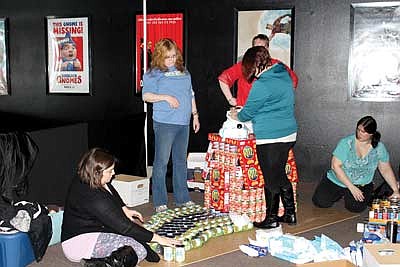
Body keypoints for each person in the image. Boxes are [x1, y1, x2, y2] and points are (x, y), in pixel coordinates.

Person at [61, 148, 180, 266]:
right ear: (97, 172)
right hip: (79, 243)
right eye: (110, 171)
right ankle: (101, 264)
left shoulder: (87, 176)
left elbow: (109, 188)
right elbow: (125, 227)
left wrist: (124, 208)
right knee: (139, 250)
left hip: (92, 230)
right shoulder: (94, 198)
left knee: (137, 239)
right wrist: (159, 239)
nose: (113, 173)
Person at [230, 46, 297, 229]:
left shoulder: (262, 84)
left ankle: (271, 218)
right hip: (289, 133)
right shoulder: (282, 73)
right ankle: (290, 213)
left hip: (270, 137)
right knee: (279, 173)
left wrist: (236, 114)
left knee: (270, 178)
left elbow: (247, 113)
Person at [142, 38, 200, 213]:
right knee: (161, 163)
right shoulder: (152, 74)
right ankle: (160, 201)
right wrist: (165, 97)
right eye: (167, 57)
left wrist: (195, 115)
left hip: (183, 122)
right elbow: (146, 96)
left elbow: (190, 94)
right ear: (160, 56)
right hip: (165, 123)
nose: (171, 60)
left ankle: (182, 198)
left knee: (181, 162)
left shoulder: (184, 72)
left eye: (174, 56)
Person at [312, 116, 400, 212]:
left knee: (355, 208)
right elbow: (335, 166)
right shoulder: (346, 143)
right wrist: (351, 187)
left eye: (363, 132)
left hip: (361, 183)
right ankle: (338, 191)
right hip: (338, 180)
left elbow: (385, 169)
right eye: (358, 130)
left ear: (371, 133)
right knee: (320, 202)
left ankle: (365, 191)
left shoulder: (379, 147)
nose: (359, 133)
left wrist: (395, 190)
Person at [218, 33, 298, 107]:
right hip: (245, 111)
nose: (258, 51)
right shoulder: (244, 65)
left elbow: (292, 80)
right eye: (256, 48)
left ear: (267, 48)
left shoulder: (277, 65)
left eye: (261, 48)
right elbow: (223, 78)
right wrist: (230, 99)